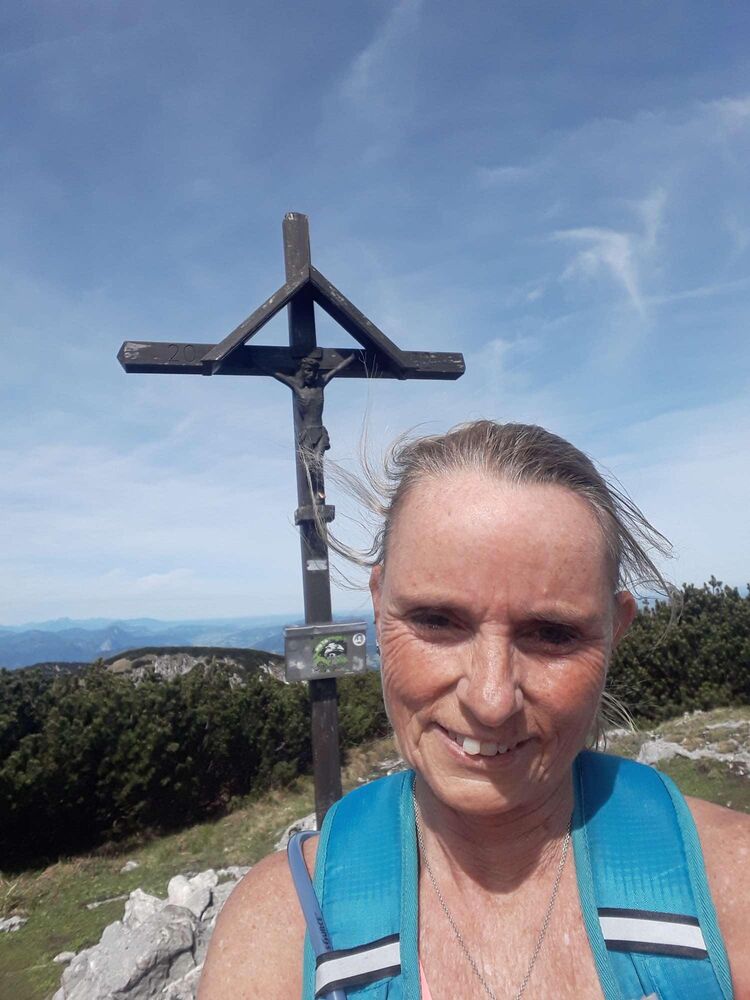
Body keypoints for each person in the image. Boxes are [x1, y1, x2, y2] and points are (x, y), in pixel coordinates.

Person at [199, 421, 750, 999]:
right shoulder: (275, 931)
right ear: (379, 607)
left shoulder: (734, 887)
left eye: (552, 633)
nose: (491, 701)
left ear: (617, 633)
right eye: (437, 621)